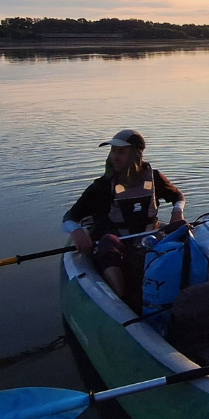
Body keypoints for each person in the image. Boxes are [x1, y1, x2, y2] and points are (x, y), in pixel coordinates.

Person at [62, 128, 186, 301]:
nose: (115, 157)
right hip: (116, 242)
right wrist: (76, 231)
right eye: (113, 151)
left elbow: (178, 196)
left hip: (147, 238)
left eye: (122, 152)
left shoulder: (154, 178)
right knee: (107, 242)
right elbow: (70, 217)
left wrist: (177, 212)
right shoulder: (102, 186)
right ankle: (122, 299)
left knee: (182, 228)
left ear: (135, 155)